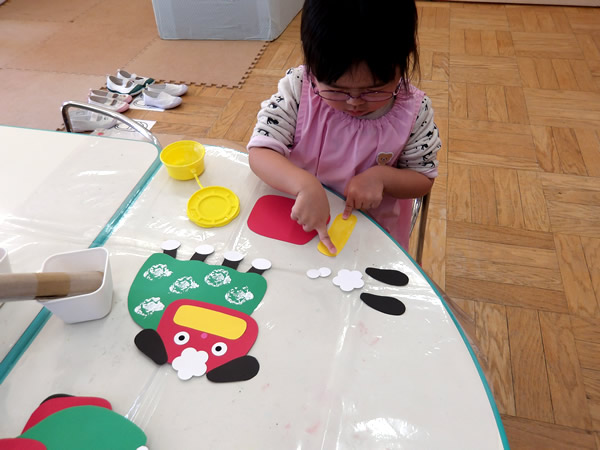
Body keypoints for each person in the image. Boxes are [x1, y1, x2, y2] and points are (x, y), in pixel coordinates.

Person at [247, 0, 441, 254]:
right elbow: (260, 152)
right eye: (336, 90)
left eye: (374, 90)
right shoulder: (299, 88)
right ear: (312, 64)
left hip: (369, 237)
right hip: (298, 221)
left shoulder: (413, 111)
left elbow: (423, 179)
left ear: (405, 57)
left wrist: (382, 178)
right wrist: (303, 185)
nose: (354, 102)